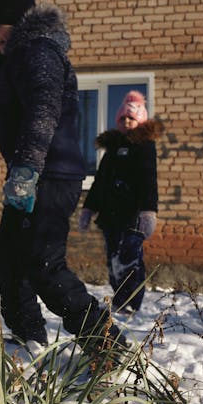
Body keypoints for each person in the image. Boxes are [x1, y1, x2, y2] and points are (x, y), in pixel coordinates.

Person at [0, 0, 126, 348]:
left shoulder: (37, 51)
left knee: (44, 266)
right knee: (9, 259)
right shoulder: (22, 56)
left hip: (48, 176)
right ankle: (29, 340)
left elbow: (43, 111)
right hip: (34, 175)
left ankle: (108, 345)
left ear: (14, 20)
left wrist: (27, 168)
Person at [78, 90, 164, 314]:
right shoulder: (113, 148)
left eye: (132, 118)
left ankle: (131, 303)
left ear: (140, 120)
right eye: (123, 118)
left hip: (133, 215)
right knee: (113, 261)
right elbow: (100, 181)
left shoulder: (144, 147)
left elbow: (148, 180)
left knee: (129, 260)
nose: (127, 122)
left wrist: (148, 212)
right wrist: (89, 208)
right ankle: (119, 299)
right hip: (110, 215)